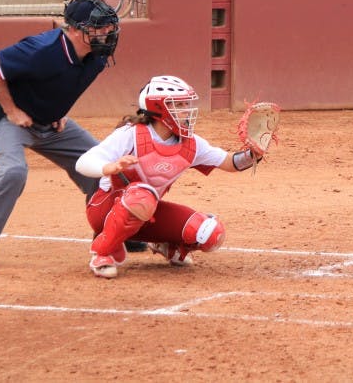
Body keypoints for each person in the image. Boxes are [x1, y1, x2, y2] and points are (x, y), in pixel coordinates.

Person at [0, 0, 121, 271]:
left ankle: (114, 229)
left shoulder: (97, 56)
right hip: (11, 120)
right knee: (13, 172)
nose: (107, 33)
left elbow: (68, 83)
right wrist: (11, 110)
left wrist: (60, 112)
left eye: (109, 27)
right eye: (99, 27)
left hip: (52, 124)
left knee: (104, 167)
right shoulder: (42, 49)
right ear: (74, 29)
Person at [76, 76, 265, 279]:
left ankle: (165, 244)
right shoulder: (131, 134)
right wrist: (108, 167)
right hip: (104, 210)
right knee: (142, 196)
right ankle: (102, 252)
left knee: (210, 233)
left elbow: (229, 163)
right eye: (179, 104)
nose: (187, 110)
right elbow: (83, 163)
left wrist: (254, 154)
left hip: (146, 212)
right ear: (158, 108)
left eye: (186, 104)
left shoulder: (191, 143)